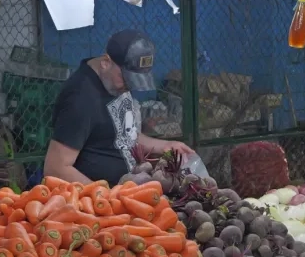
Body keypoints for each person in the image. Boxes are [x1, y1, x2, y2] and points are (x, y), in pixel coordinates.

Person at [43, 29, 193, 185]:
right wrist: (105, 198)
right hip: (97, 202)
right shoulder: (80, 98)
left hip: (125, 193)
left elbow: (125, 134)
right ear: (105, 63)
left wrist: (165, 146)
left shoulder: (114, 84)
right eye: (127, 78)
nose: (129, 87)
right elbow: (56, 168)